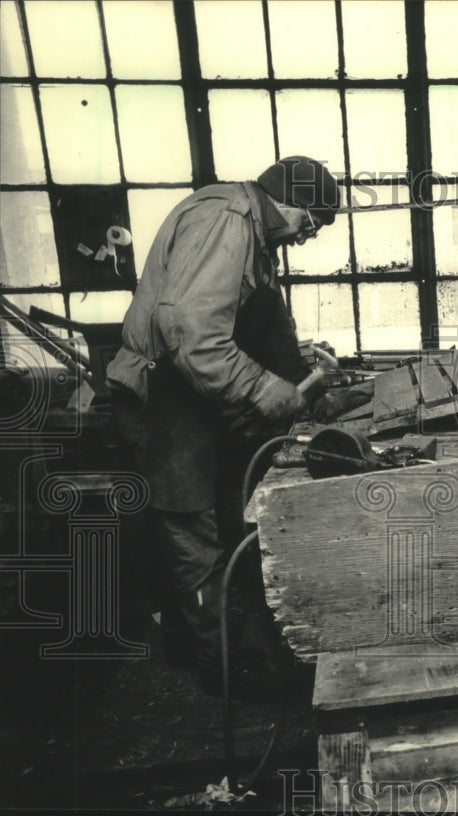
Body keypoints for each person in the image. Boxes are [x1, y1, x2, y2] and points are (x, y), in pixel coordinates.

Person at [106, 156, 339, 698]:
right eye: (310, 222)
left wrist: (297, 363)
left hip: (187, 386)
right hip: (164, 392)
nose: (306, 238)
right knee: (191, 528)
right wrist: (266, 390)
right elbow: (193, 335)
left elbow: (240, 319)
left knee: (203, 522)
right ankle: (226, 671)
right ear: (288, 200)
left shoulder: (252, 229)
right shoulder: (227, 221)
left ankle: (196, 642)